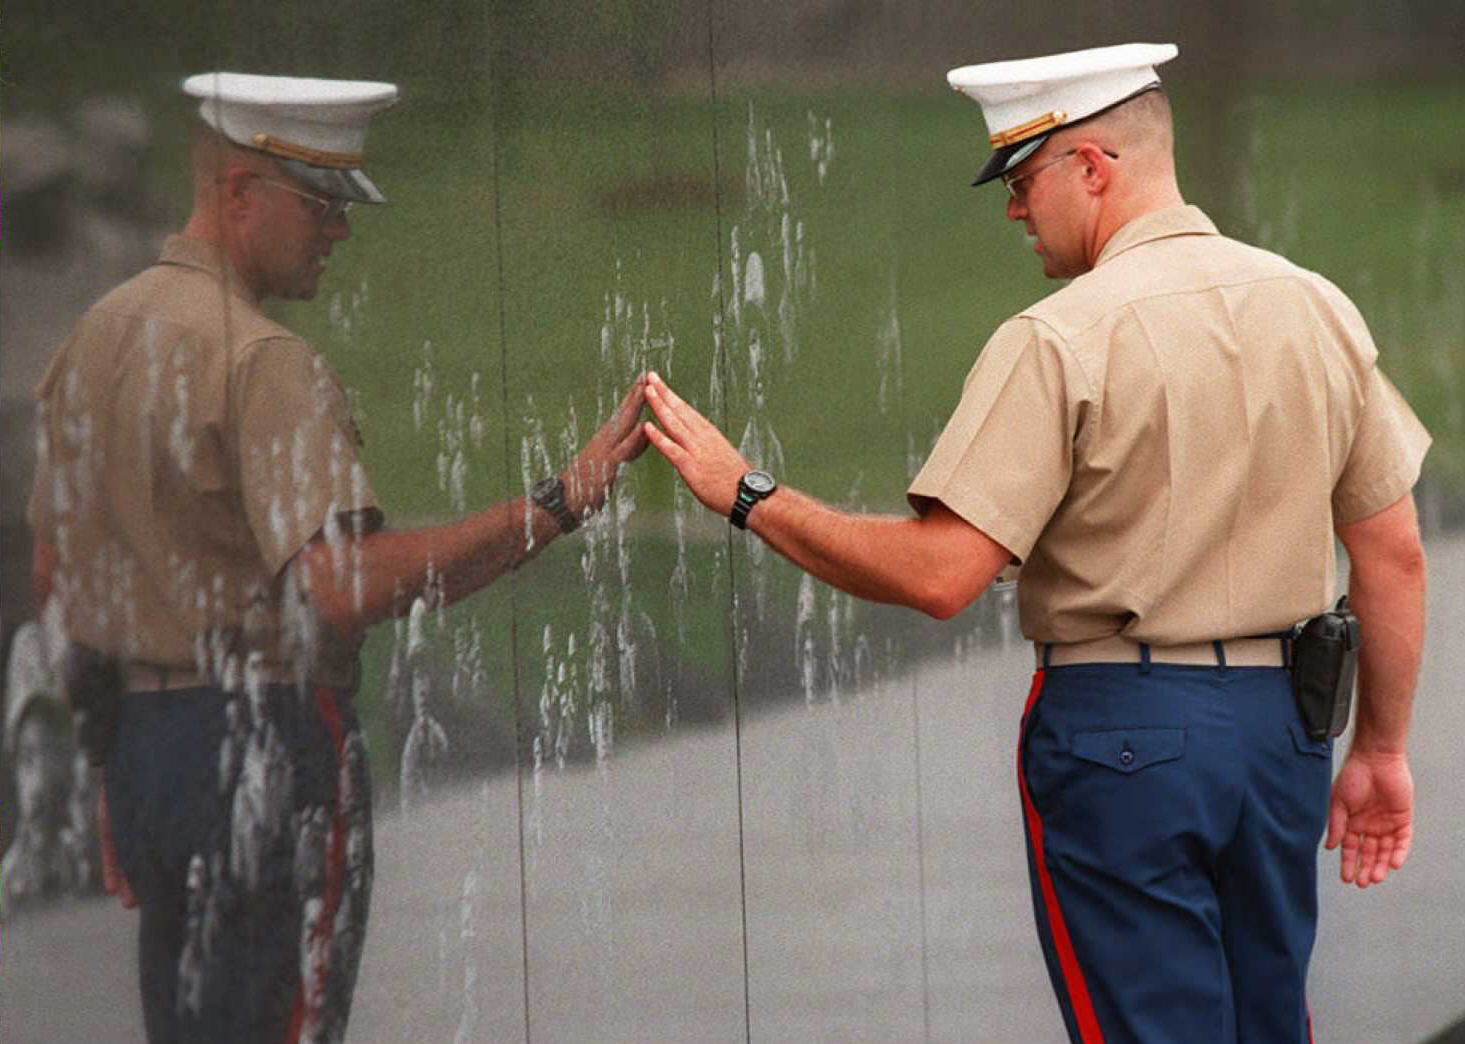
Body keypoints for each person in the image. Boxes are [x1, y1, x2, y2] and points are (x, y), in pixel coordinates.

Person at [641, 42, 1429, 1044]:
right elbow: (1391, 551)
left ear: (1093, 167)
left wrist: (747, 494)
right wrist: (1382, 749)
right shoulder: (1314, 306)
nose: (1015, 209)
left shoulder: (1058, 339)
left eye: (1023, 179)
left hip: (1123, 732)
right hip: (1281, 733)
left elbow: (938, 576)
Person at [28, 72, 648, 1044]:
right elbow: (338, 589)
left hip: (147, 747)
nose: (340, 230)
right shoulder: (263, 361)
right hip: (269, 742)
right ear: (240, 194)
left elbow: (56, 580)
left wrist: (119, 766)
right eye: (320, 203)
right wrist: (552, 506)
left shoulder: (95, 340)